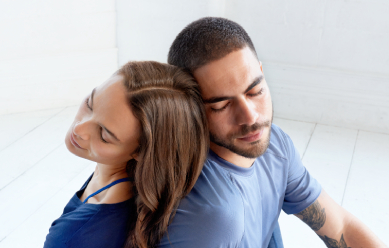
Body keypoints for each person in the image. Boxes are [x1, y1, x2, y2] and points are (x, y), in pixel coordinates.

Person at [157, 17, 386, 248]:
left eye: (255, 91)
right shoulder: (209, 217)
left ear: (261, 71)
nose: (251, 117)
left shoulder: (276, 146)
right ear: (189, 109)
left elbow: (340, 227)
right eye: (222, 106)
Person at [43, 61, 208, 248]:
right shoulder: (114, 171)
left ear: (139, 152)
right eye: (90, 103)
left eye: (104, 135)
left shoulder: (76, 237)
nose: (79, 128)